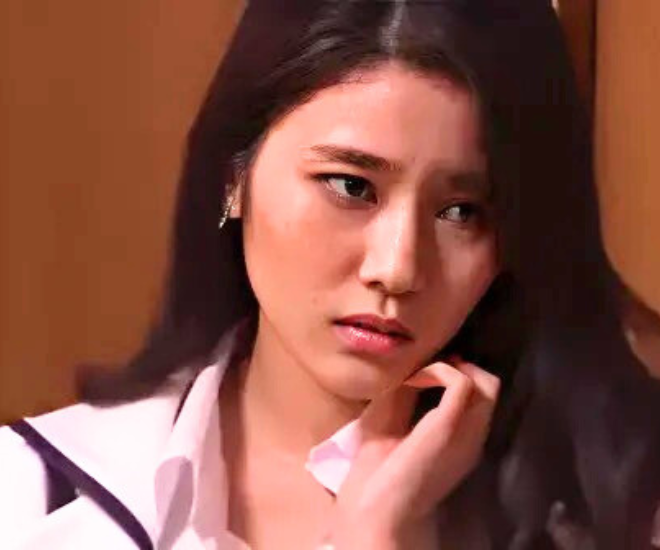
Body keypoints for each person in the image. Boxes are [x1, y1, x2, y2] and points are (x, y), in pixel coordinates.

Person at [1, 0, 659, 548]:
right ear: (234, 174)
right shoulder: (28, 494)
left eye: (462, 212)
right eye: (350, 186)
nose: (397, 267)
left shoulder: (620, 513)